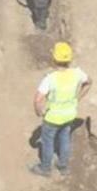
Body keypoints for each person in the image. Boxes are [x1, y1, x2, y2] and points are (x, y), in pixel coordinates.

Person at [31, 42, 90, 178]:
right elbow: (89, 82)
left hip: (52, 118)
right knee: (64, 139)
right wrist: (77, 98)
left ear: (54, 58)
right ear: (69, 59)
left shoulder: (50, 79)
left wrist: (39, 112)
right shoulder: (77, 73)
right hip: (69, 115)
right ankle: (63, 167)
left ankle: (45, 168)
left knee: (48, 142)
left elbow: (37, 99)